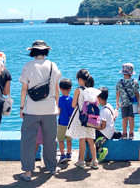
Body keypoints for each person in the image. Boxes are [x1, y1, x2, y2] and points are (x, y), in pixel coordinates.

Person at [19, 40, 62, 182]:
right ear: (45, 51)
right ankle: (51, 168)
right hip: (49, 108)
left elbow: (24, 88)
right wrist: (56, 104)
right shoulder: (52, 65)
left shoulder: (27, 66)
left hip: (31, 108)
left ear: (32, 51)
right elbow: (56, 88)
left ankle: (28, 172)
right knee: (50, 139)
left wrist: (21, 107)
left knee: (28, 140)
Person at [66, 69, 98, 169]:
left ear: (80, 79)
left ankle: (81, 161)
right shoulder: (93, 90)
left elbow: (73, 105)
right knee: (91, 140)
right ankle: (94, 160)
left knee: (82, 140)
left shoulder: (78, 90)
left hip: (82, 119)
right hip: (92, 119)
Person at [95, 87, 121, 162]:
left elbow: (103, 126)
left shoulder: (103, 110)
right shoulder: (109, 106)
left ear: (99, 98)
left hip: (105, 132)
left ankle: (101, 150)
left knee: (89, 136)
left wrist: (94, 128)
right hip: (111, 130)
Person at [115, 63, 139, 139]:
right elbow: (137, 93)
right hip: (133, 103)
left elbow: (118, 93)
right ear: (131, 73)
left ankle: (124, 133)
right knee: (131, 118)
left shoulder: (119, 82)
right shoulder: (134, 82)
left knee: (124, 118)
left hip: (123, 103)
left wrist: (117, 103)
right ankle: (131, 133)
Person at [57, 78, 74, 163]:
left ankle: (62, 155)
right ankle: (69, 153)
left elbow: (59, 111)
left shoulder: (59, 99)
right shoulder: (72, 99)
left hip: (61, 123)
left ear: (60, 88)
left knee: (61, 140)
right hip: (70, 123)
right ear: (70, 88)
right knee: (69, 140)